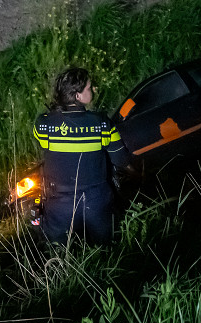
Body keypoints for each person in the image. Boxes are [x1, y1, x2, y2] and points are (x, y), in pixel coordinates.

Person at [34, 67, 130, 245]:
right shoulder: (102, 123)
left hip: (59, 204)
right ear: (77, 96)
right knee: (104, 250)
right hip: (96, 202)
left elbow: (45, 144)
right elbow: (121, 159)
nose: (93, 89)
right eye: (89, 87)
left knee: (58, 254)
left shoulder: (44, 124)